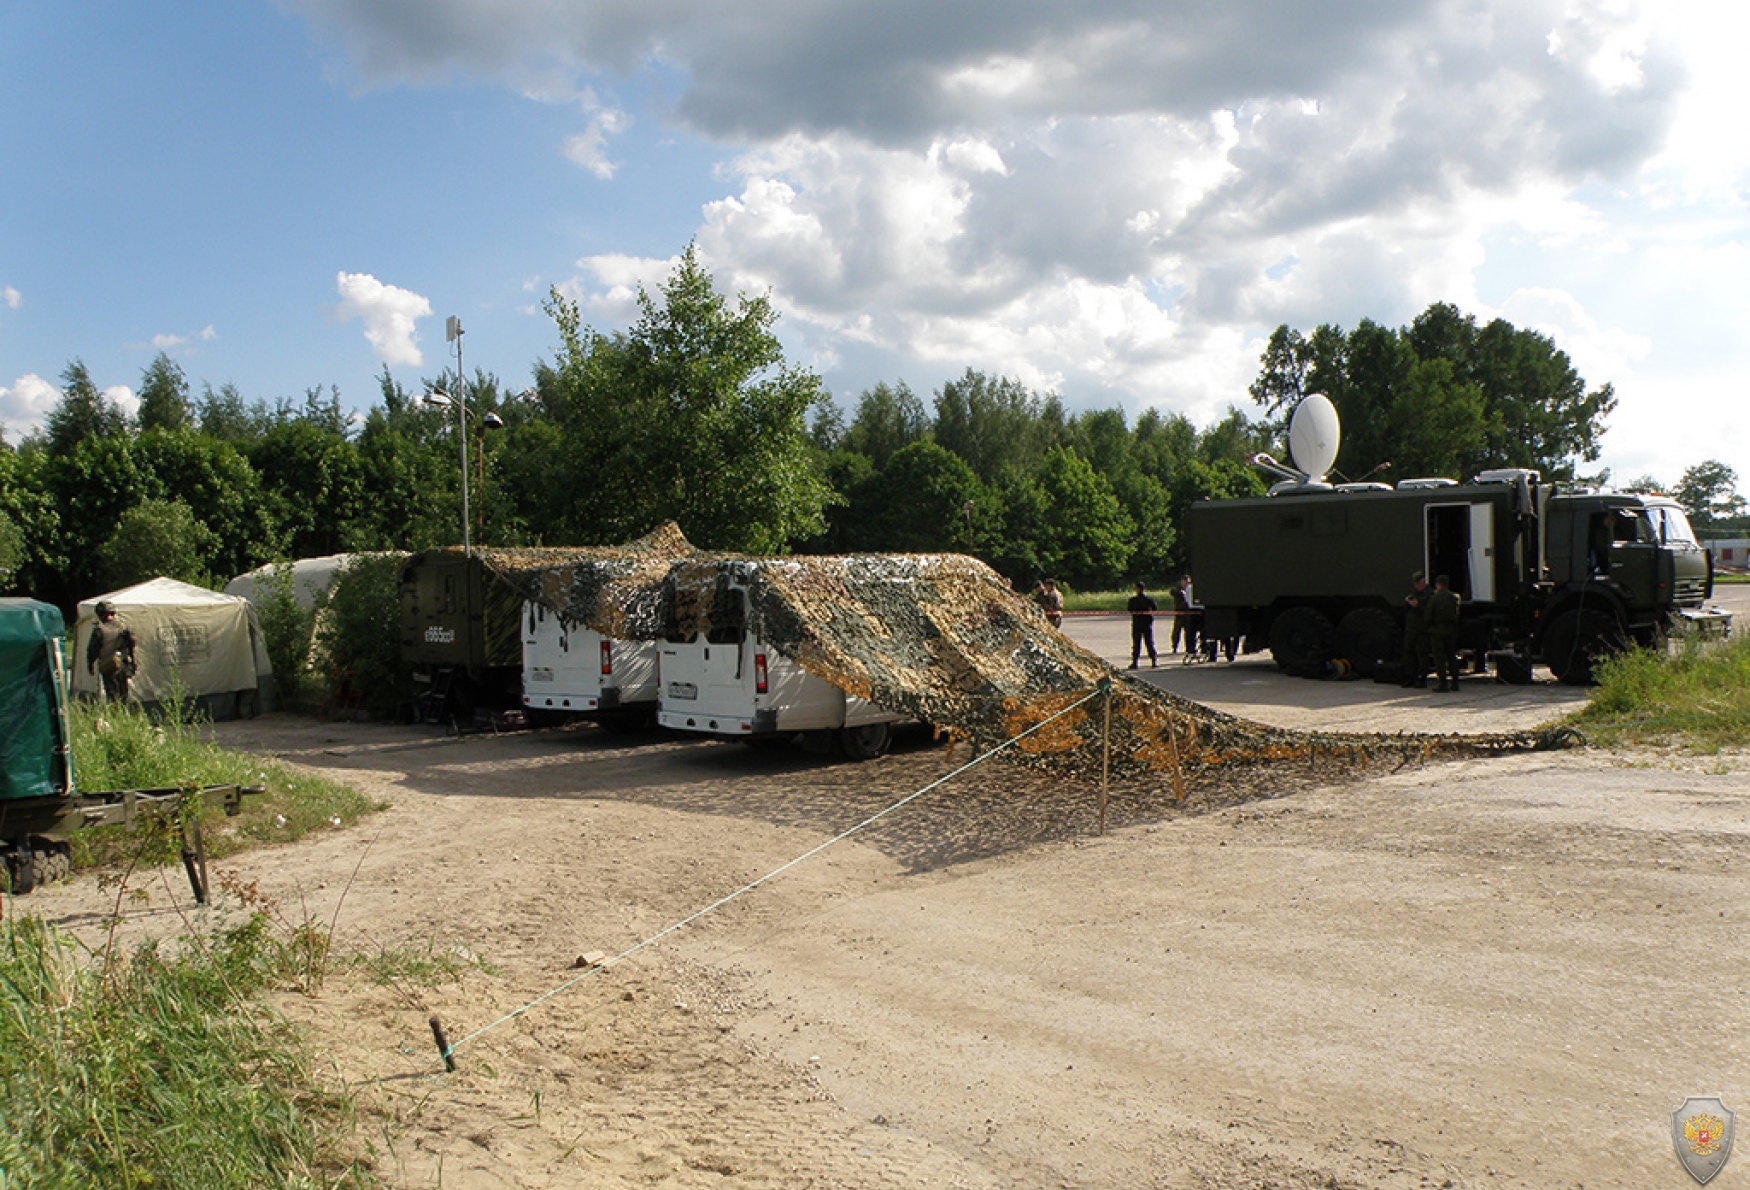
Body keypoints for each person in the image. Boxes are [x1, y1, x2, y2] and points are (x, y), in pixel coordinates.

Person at [86, 600, 138, 702]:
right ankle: (123, 713)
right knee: (123, 694)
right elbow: (132, 644)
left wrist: (90, 665)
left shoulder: (99, 630)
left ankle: (116, 714)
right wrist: (133, 662)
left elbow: (92, 650)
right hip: (123, 665)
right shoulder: (123, 627)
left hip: (108, 666)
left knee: (112, 695)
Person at [1426, 574, 1463, 692]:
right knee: (1451, 655)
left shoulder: (1434, 598)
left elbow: (1428, 615)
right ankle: (1455, 682)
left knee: (1439, 657)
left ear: (1438, 584)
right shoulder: (1453, 598)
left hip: (1437, 630)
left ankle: (1443, 683)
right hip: (1450, 630)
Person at [1399, 571, 1431, 688]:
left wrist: (1418, 606)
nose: (1417, 586)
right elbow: (1406, 611)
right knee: (1408, 653)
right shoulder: (1413, 594)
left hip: (1422, 630)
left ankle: (1422, 677)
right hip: (1411, 629)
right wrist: (1408, 603)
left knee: (1422, 654)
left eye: (1419, 583)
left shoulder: (1428, 595)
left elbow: (1429, 612)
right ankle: (1409, 676)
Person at [1126, 581, 1158, 668]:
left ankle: (1135, 662)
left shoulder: (1133, 600)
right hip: (1146, 623)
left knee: (1137, 644)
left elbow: (1130, 610)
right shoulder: (1149, 600)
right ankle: (1153, 661)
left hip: (1137, 623)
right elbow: (1155, 608)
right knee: (1149, 642)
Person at [1170, 576, 1198, 656]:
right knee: (1176, 632)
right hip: (1179, 614)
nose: (1185, 583)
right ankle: (1174, 646)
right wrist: (1181, 593)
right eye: (1184, 581)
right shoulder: (1178, 590)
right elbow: (1172, 592)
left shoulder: (1190, 590)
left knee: (1189, 631)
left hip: (1187, 613)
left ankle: (1189, 647)